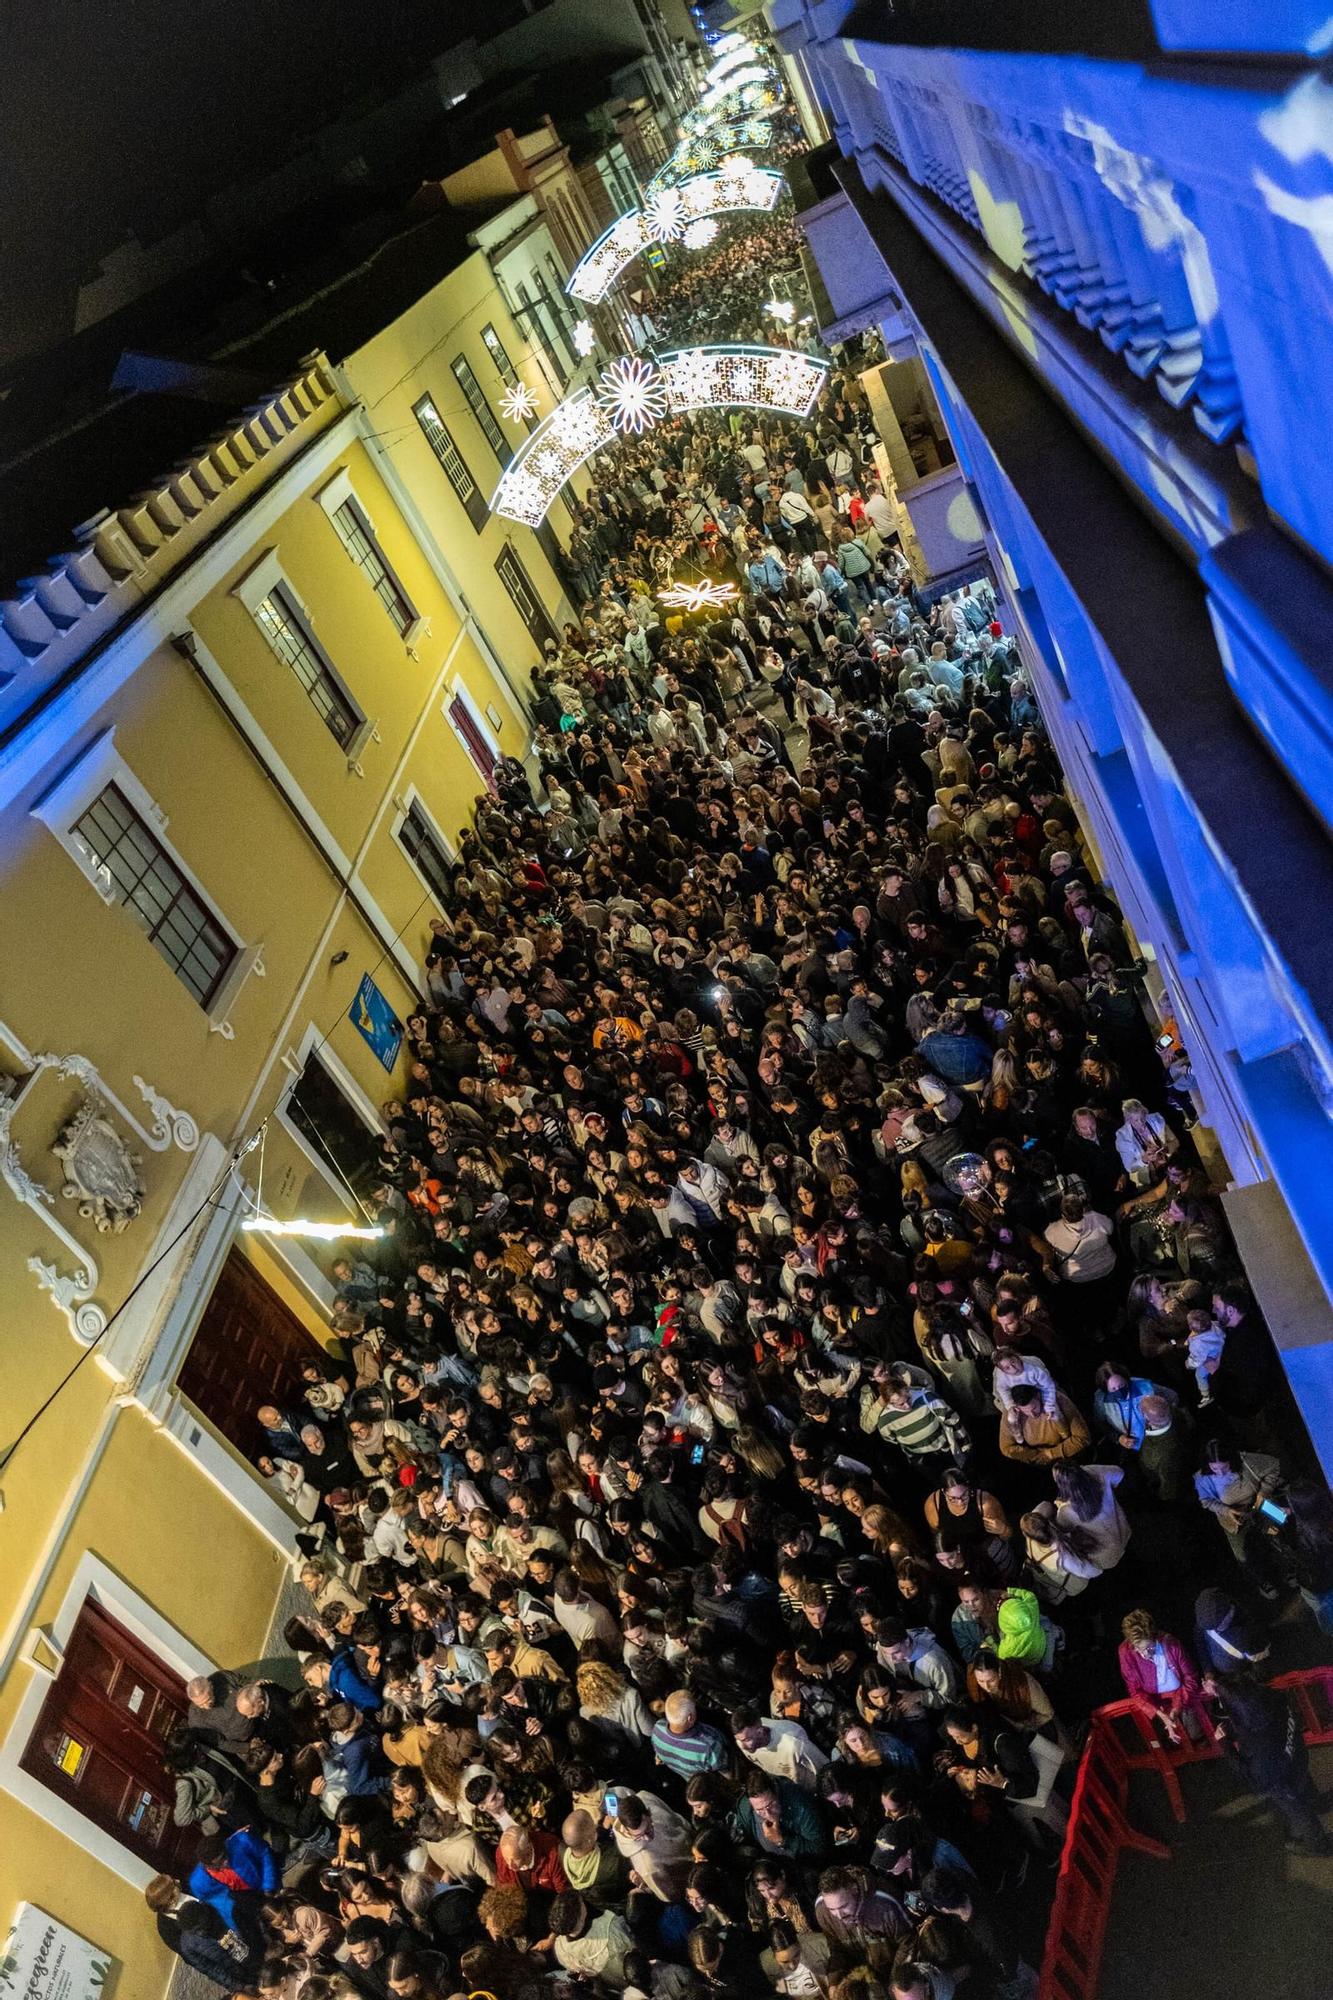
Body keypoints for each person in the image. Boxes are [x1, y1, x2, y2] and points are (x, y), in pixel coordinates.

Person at [1117, 1610, 1205, 1744]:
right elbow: (1135, 1690)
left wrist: (1176, 1708)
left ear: (1154, 1636)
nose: (1145, 1654)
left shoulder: (1171, 1644)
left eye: (1149, 1647)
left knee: (1195, 1733)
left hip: (1181, 1694)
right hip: (1154, 1701)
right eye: (1138, 1648)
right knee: (1161, 1741)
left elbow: (1190, 1677)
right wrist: (1160, 1714)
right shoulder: (1125, 1652)